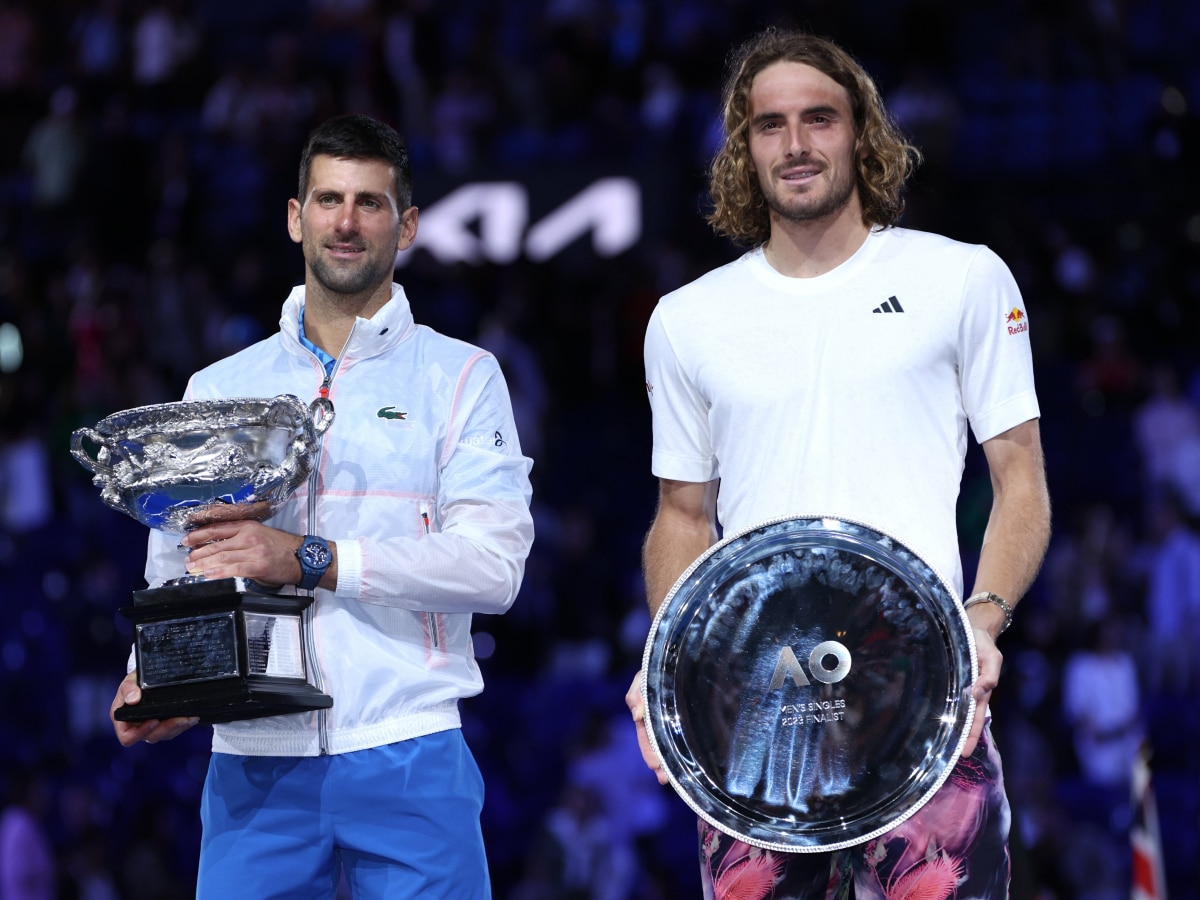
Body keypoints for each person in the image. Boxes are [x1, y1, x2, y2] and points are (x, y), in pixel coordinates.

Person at [625, 28, 1051, 898]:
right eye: (770, 125)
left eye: (819, 119)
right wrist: (666, 663)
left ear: (862, 134)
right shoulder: (687, 318)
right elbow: (680, 518)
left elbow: (1021, 481)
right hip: (754, 710)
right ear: (744, 149)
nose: (796, 145)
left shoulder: (962, 278)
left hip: (926, 691)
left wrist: (984, 621)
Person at [109, 113, 535, 899]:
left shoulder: (462, 378)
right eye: (329, 199)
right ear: (294, 216)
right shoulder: (218, 386)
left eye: (370, 203)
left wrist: (312, 559)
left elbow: (495, 567)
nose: (346, 221)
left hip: (409, 748)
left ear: (405, 225)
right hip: (253, 762)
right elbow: (180, 560)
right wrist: (153, 675)